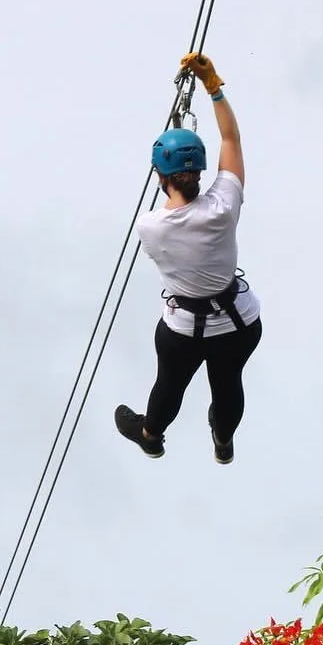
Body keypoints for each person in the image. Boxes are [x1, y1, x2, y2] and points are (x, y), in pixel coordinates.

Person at [114, 52, 262, 465]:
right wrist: (213, 87)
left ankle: (151, 434)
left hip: (184, 328)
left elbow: (173, 201)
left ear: (159, 176)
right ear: (200, 169)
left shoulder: (150, 227)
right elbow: (231, 141)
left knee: (170, 384)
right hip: (238, 321)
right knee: (228, 382)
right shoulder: (224, 205)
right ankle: (224, 439)